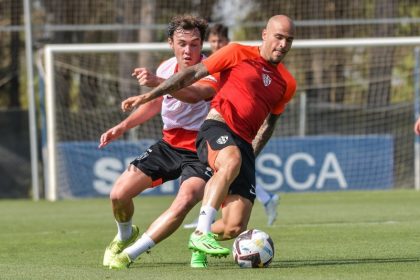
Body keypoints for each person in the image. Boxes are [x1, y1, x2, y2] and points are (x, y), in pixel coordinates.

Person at [120, 15, 296, 258]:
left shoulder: (288, 83)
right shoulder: (235, 51)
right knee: (230, 160)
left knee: (234, 225)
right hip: (217, 127)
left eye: (289, 40)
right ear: (265, 34)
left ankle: (199, 242)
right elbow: (191, 75)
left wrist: (251, 155)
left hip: (243, 144)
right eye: (279, 37)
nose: (283, 44)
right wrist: (147, 96)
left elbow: (269, 125)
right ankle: (200, 232)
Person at [100, 15, 219, 270]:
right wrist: (121, 127)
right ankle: (125, 235)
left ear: (202, 45)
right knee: (118, 194)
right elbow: (155, 103)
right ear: (170, 43)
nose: (188, 50)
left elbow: (194, 95)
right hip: (168, 144)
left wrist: (158, 83)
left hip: (201, 149)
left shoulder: (211, 68)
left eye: (195, 44)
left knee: (185, 199)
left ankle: (130, 253)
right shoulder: (166, 68)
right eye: (182, 43)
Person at [181, 22, 280, 229]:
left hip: (234, 130)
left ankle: (204, 224)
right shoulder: (214, 63)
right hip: (215, 126)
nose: (217, 45)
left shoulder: (234, 58)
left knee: (228, 171)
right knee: (226, 167)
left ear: (227, 41)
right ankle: (204, 225)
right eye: (213, 41)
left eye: (220, 41)